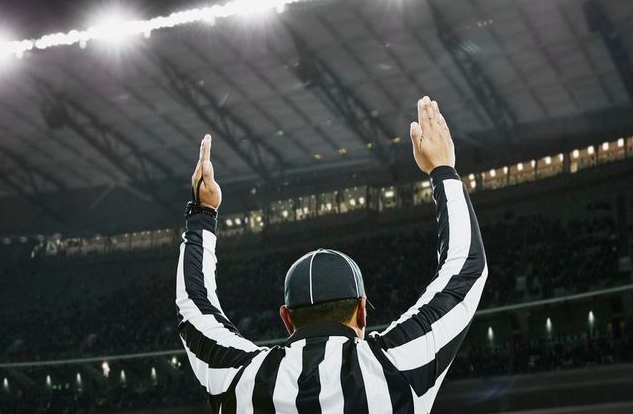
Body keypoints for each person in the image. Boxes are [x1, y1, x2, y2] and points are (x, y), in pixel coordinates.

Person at [176, 96, 487, 413]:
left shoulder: (243, 379)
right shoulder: (394, 366)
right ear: (362, 311)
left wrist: (202, 213)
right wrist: (442, 169)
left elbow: (194, 309)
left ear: (287, 318)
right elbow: (465, 273)